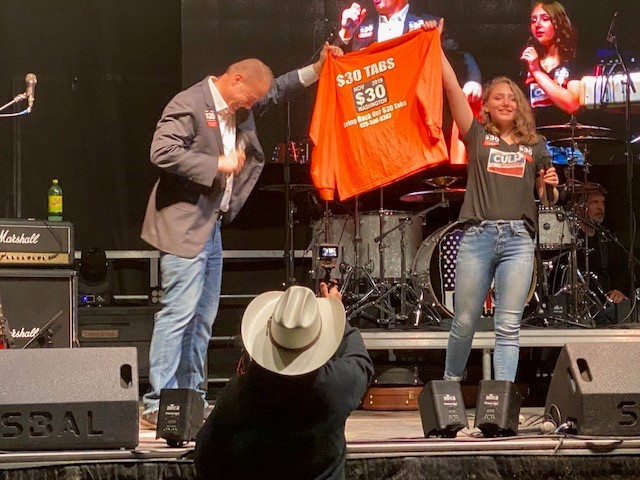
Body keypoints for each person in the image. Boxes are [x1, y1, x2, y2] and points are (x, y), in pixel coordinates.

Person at [139, 45, 343, 428]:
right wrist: (217, 162)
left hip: (211, 226)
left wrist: (317, 69)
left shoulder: (239, 104)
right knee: (178, 313)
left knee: (202, 319)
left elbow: (276, 89)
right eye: (249, 97)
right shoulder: (189, 104)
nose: (251, 106)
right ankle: (157, 402)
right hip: (184, 224)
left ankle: (191, 399)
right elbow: (161, 151)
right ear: (235, 79)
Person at [433, 19, 560, 382]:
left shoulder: (535, 145)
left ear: (520, 106)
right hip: (478, 237)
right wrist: (436, 46)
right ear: (486, 106)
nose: (506, 102)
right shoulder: (476, 135)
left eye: (512, 97)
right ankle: (451, 387)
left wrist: (550, 185)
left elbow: (547, 197)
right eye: (498, 97)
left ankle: (502, 398)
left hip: (518, 240)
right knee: (464, 321)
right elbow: (452, 87)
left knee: (508, 325)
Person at [193, 283, 374, 480]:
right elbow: (360, 361)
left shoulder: (239, 392)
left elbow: (205, 458)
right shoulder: (336, 386)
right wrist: (338, 320)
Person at [338, 0, 482, 103]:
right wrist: (346, 33)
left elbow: (459, 56)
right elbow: (339, 64)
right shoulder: (359, 25)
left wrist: (472, 80)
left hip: (415, 114)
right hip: (373, 111)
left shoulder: (429, 24)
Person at [575, 186, 633, 324]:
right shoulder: (570, 238)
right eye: (594, 202)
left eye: (602, 202)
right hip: (581, 304)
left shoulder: (606, 237)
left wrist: (618, 290)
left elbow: (620, 269)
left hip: (606, 302)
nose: (600, 207)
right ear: (579, 207)